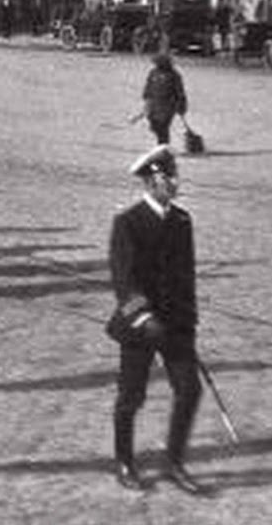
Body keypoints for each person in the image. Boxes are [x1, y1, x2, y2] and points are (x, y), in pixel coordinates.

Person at [107, 145, 206, 496]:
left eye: (175, 175)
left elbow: (185, 277)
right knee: (131, 397)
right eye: (169, 177)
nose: (176, 182)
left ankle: (174, 461)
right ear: (151, 181)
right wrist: (144, 316)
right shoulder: (128, 222)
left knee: (190, 390)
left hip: (176, 325)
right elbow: (123, 279)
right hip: (140, 326)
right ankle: (124, 462)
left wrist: (188, 323)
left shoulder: (182, 220)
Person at [136, 53, 188, 146]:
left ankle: (163, 144)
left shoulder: (174, 75)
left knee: (163, 125)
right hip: (154, 104)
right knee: (153, 123)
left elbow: (180, 91)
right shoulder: (153, 72)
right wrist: (146, 97)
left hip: (168, 105)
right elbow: (148, 85)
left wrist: (181, 106)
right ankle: (161, 142)